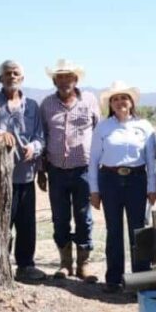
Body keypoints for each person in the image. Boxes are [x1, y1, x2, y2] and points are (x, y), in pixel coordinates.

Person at [88, 81, 156, 292]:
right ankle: (114, 278)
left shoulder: (144, 126)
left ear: (131, 102)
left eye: (124, 98)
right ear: (110, 104)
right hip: (109, 180)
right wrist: (94, 190)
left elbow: (152, 160)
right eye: (115, 99)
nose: (120, 102)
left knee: (138, 230)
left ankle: (140, 279)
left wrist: (152, 187)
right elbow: (93, 160)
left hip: (137, 181)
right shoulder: (103, 127)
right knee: (114, 230)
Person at [38, 58, 101, 281]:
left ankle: (84, 264)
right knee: (60, 217)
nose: (64, 81)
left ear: (76, 79)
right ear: (54, 81)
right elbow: (42, 136)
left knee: (84, 216)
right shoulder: (47, 104)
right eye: (60, 77)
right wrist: (41, 170)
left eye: (68, 77)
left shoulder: (90, 100)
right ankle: (65, 264)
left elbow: (99, 134)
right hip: (56, 170)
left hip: (84, 169)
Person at [0, 60, 47, 283]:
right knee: (1, 222)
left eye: (16, 73)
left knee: (26, 224)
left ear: (22, 78)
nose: (12, 76)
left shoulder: (32, 106)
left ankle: (25, 266)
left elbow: (40, 137)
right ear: (0, 79)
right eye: (7, 73)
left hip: (25, 174)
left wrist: (34, 148)